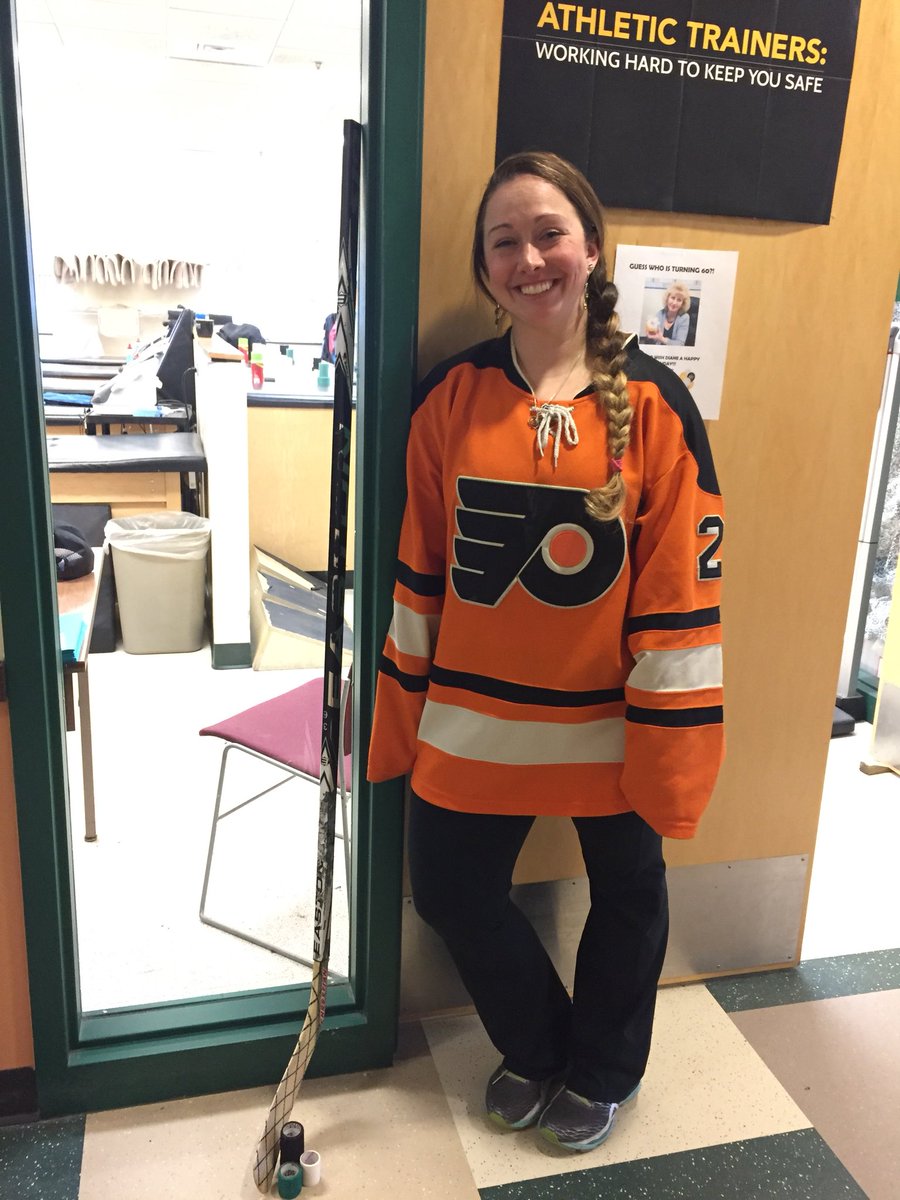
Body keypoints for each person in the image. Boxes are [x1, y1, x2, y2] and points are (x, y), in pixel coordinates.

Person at [367, 152, 724, 1153]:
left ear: (591, 248)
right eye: (504, 242)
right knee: (449, 890)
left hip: (613, 721)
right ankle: (540, 1044)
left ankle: (605, 1071)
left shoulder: (655, 403)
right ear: (485, 270)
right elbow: (421, 567)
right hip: (473, 716)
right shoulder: (449, 397)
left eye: (548, 233)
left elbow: (681, 590)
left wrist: (670, 740)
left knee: (630, 895)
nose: (529, 258)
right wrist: (399, 709)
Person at [645, 280, 691, 345]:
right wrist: (652, 336)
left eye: (679, 300)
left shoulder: (684, 317)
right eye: (673, 298)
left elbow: (680, 344)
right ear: (667, 299)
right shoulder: (660, 314)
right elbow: (655, 341)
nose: (674, 303)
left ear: (682, 304)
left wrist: (662, 339)